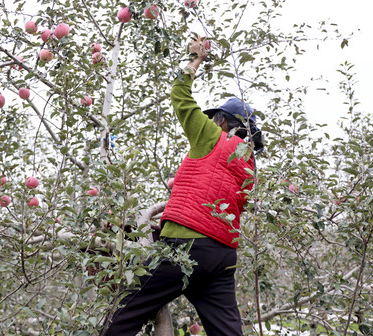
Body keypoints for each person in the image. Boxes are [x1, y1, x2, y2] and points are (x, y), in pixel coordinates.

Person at [100, 38, 263, 336]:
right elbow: (222, 196)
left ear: (223, 122)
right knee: (228, 332)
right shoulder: (249, 163)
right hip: (223, 257)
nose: (211, 121)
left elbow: (180, 94)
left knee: (126, 312)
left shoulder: (212, 136)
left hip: (188, 247)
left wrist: (195, 59)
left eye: (215, 117)